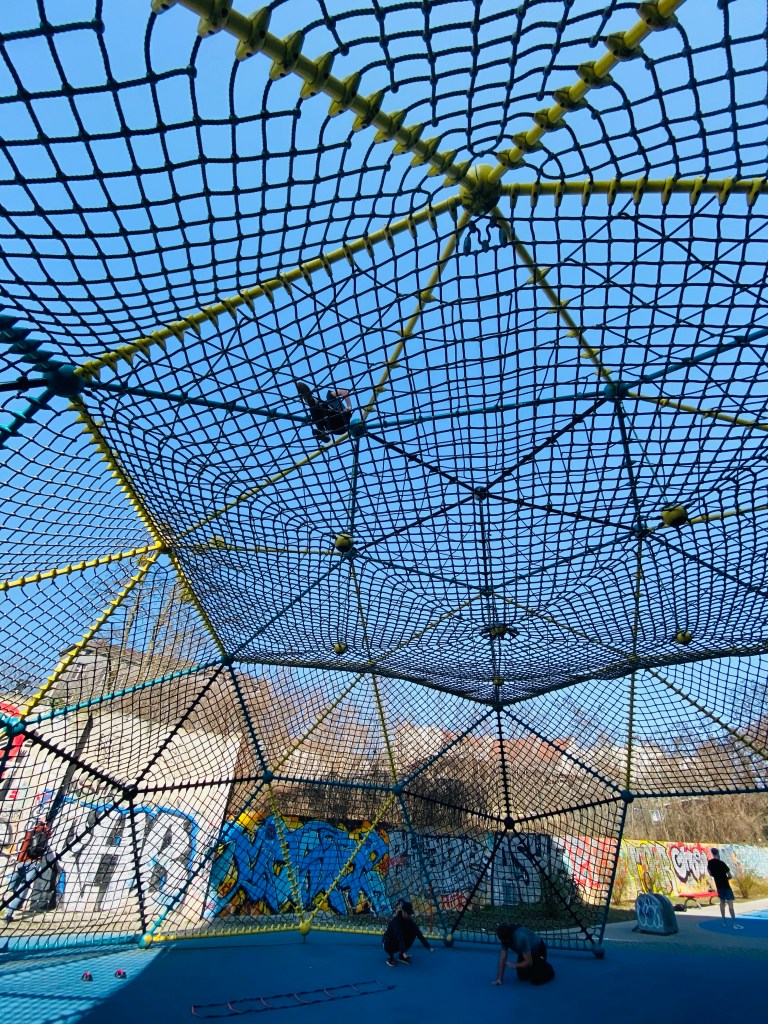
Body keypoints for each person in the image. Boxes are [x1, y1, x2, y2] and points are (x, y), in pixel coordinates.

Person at [4, 816, 53, 923]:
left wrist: (18, 862)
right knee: (23, 888)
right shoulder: (46, 834)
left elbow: (24, 847)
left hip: (24, 861)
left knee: (13, 884)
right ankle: (9, 914)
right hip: (36, 863)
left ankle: (9, 902)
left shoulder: (31, 833)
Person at [382, 900, 434, 966]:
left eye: (410, 914)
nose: (409, 915)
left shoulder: (409, 921)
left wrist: (428, 946)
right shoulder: (396, 921)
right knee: (394, 935)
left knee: (414, 932)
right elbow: (399, 936)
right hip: (387, 944)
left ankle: (401, 956)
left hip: (398, 944)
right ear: (403, 911)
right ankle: (390, 957)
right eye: (408, 913)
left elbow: (418, 933)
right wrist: (404, 951)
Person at [707, 848, 743, 929]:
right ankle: (734, 923)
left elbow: (710, 873)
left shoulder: (710, 863)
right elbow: (730, 875)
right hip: (726, 886)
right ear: (718, 853)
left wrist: (717, 876)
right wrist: (726, 878)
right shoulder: (722, 863)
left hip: (719, 886)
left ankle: (724, 921)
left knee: (722, 903)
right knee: (730, 905)